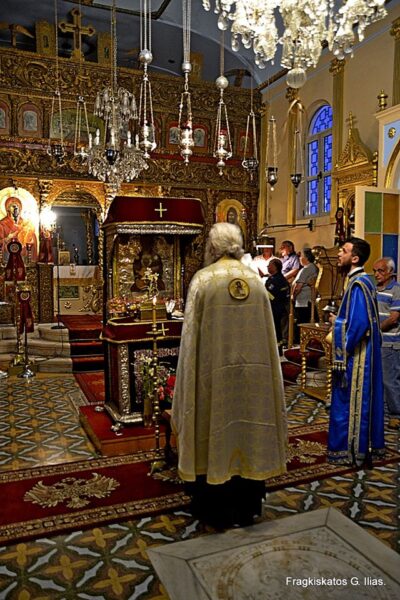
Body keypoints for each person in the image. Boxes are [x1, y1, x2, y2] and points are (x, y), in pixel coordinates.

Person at [171, 222, 287, 528]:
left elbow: (191, 341)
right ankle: (247, 507)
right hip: (253, 383)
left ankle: (215, 510)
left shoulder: (204, 279)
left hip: (214, 380)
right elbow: (269, 337)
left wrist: (187, 381)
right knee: (249, 431)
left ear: (213, 247)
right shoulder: (255, 281)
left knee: (214, 429)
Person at [327, 237, 385, 466]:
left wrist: (338, 327)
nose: (339, 253)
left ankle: (351, 450)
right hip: (361, 352)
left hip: (357, 356)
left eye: (344, 250)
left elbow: (359, 324)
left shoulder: (358, 284)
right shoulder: (360, 281)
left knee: (350, 401)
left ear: (355, 258)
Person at [373, 257, 400, 430]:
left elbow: (393, 318)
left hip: (390, 342)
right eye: (375, 271)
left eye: (380, 271)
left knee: (390, 380)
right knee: (379, 379)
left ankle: (396, 415)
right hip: (378, 341)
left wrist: (374, 330)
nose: (376, 274)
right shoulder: (375, 290)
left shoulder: (396, 290)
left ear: (390, 272)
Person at [291, 248, 319, 343]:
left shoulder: (307, 269)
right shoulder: (313, 267)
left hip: (303, 301)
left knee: (302, 322)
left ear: (306, 257)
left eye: (301, 256)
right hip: (307, 300)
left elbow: (298, 286)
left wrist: (293, 296)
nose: (299, 258)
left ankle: (301, 342)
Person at [265, 258, 290, 354]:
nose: (268, 267)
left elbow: (273, 295)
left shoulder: (277, 280)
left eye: (270, 265)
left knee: (276, 328)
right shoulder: (275, 278)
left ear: (276, 267)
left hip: (276, 307)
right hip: (276, 307)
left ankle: (277, 349)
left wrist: (263, 292)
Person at [279, 240, 300, 345]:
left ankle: (288, 337)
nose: (281, 249)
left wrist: (282, 278)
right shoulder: (282, 259)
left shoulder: (294, 258)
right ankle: (282, 336)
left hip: (286, 286)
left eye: (283, 247)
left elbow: (295, 270)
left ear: (290, 248)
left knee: (288, 314)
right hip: (279, 286)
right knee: (282, 314)